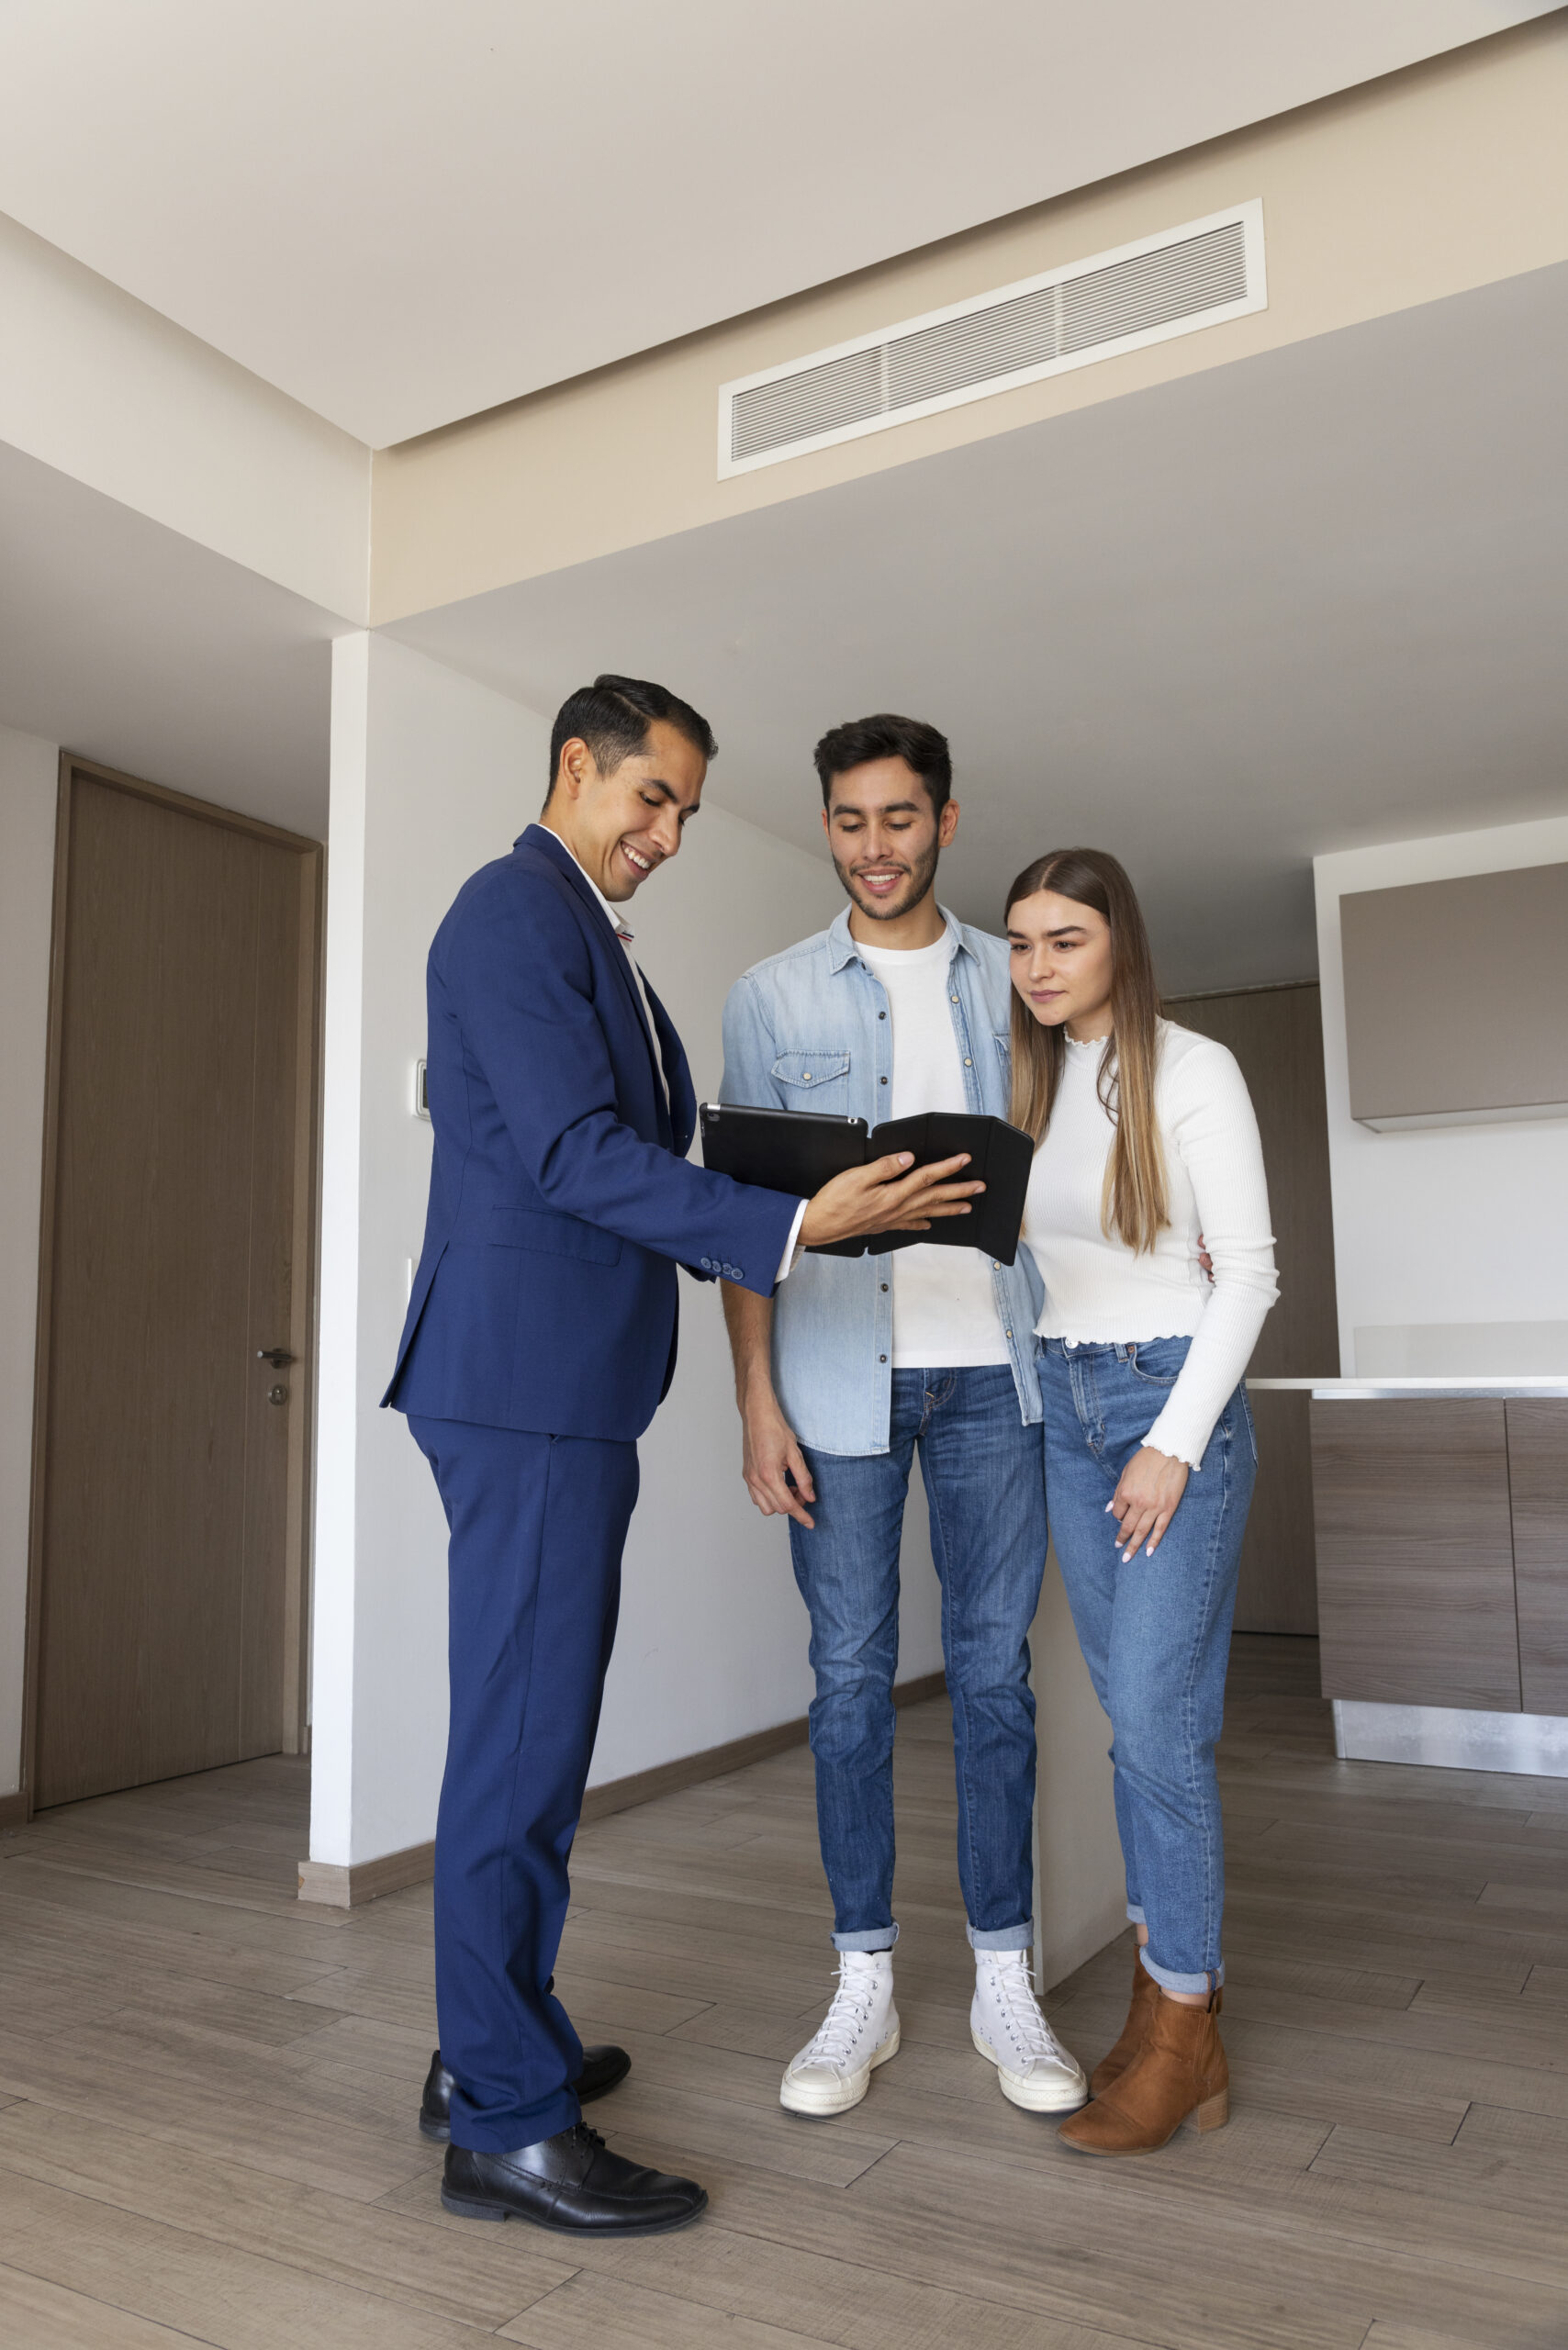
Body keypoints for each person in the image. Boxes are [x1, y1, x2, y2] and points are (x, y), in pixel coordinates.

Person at [383, 675, 982, 2237]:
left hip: (559, 1385)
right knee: (519, 1747)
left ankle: (489, 2047)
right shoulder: (512, 913)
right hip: (523, 1384)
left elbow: (633, 1144)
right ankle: (505, 2126)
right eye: (651, 797)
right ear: (576, 766)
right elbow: (575, 1154)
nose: (667, 832)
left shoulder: (585, 931)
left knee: (536, 1735)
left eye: (687, 813)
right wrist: (794, 1221)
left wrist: (793, 1181)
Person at [720, 713, 1088, 2122]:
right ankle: (861, 1978)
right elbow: (746, 1222)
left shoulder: (1021, 976)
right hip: (835, 1382)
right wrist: (756, 1401)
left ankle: (1005, 1975)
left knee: (993, 1679)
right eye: (850, 819)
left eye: (901, 817)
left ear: (946, 820)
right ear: (827, 824)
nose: (876, 846)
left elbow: (1081, 1166)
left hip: (1001, 1376)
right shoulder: (769, 998)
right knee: (849, 1682)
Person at [1005, 847, 1278, 2155]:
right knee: (1134, 1726)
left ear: (1121, 942)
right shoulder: (1033, 1084)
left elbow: (1250, 1276)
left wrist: (1173, 1442)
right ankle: (1163, 1998)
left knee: (1160, 1730)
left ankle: (1185, 2025)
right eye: (1020, 943)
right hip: (1068, 1410)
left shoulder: (1192, 1069)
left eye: (1065, 939)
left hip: (1168, 1409)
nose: (1038, 965)